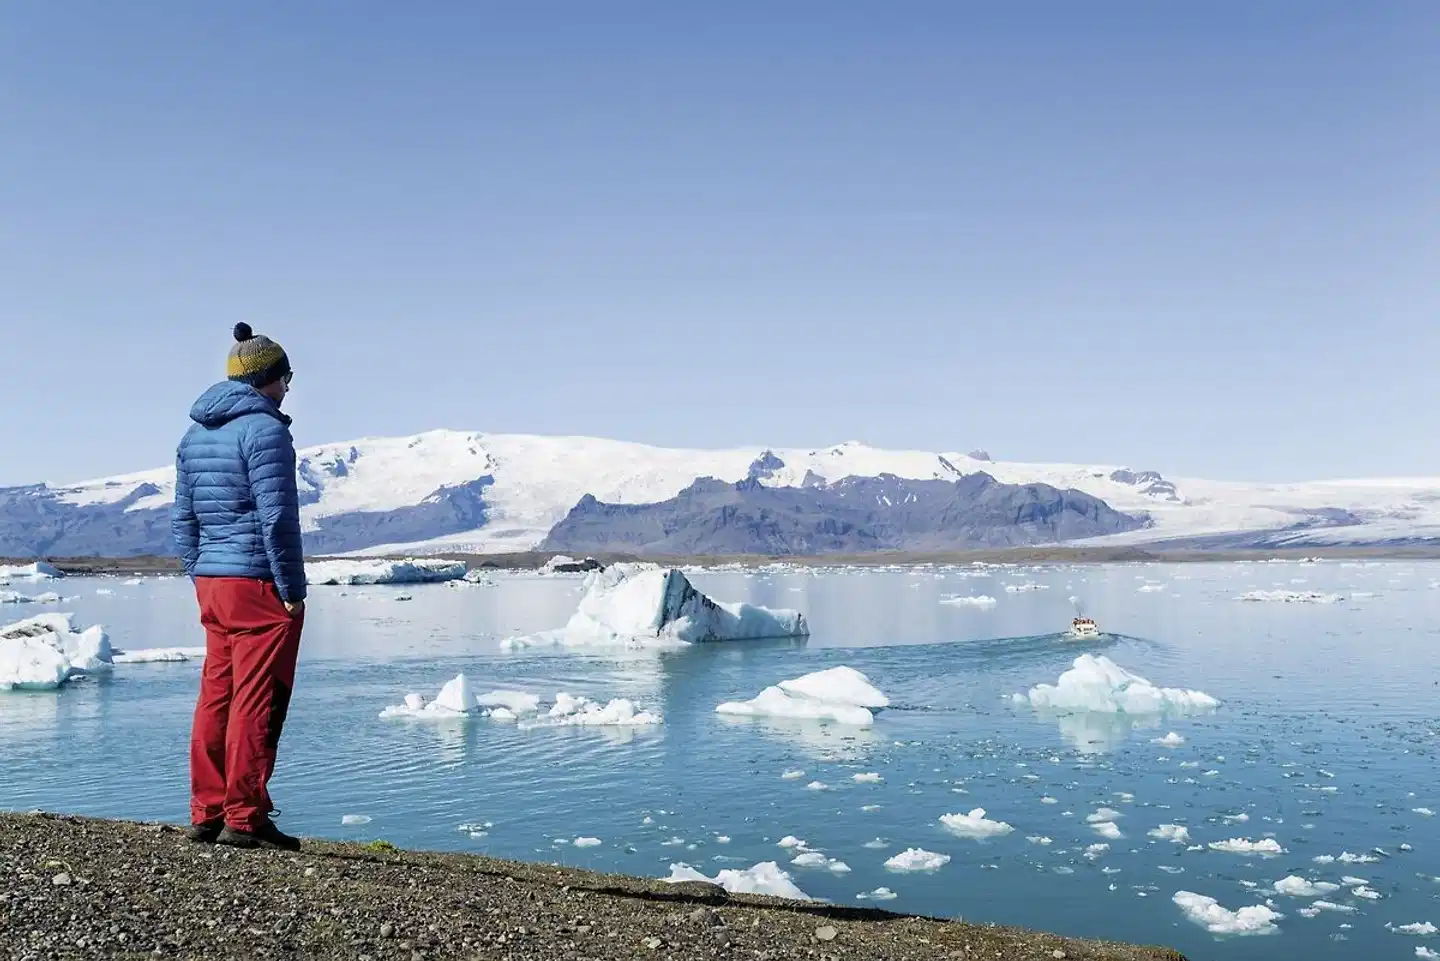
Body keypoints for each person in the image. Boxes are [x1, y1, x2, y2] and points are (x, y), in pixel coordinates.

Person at [171, 323, 307, 850]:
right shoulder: (265, 431)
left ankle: (206, 809)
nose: (289, 387)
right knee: (257, 697)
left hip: (214, 580)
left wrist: (198, 569)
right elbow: (277, 518)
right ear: (268, 379)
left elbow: (183, 516)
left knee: (216, 693)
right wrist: (291, 586)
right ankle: (245, 817)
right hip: (256, 580)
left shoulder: (194, 433)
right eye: (287, 377)